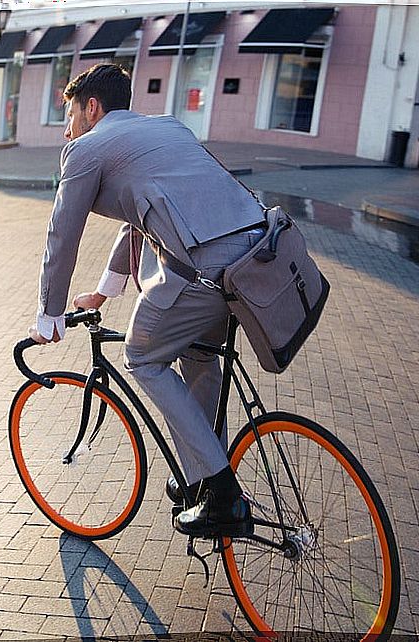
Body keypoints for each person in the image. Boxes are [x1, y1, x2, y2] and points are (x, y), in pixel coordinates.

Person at [29, 63, 266, 538]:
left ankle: (221, 492)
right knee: (198, 357)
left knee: (142, 356)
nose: (66, 128)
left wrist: (49, 313)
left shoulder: (86, 149)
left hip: (203, 272)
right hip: (254, 261)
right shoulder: (165, 127)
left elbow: (63, 233)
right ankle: (204, 475)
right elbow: (139, 214)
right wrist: (105, 289)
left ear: (91, 107)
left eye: (70, 114)